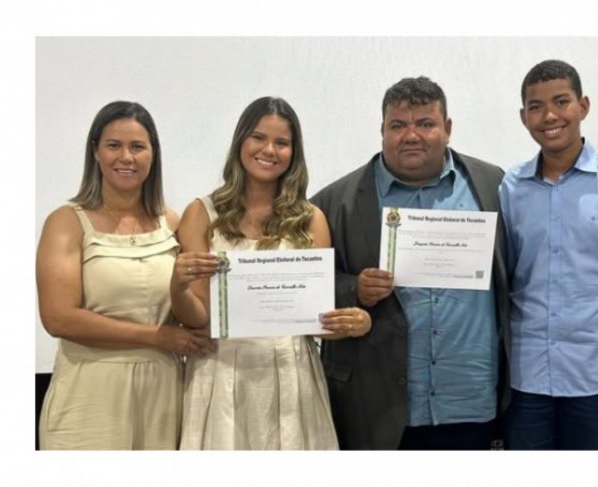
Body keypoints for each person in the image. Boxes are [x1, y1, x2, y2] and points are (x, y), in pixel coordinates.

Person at [311, 76, 511, 450]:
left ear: (447, 129)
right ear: (382, 130)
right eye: (398, 125)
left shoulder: (493, 185)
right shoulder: (332, 202)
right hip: (375, 408)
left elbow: (520, 268)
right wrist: (354, 288)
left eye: (425, 123)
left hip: (469, 399)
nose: (411, 135)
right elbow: (302, 285)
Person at [172, 96, 371, 450]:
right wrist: (179, 287)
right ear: (240, 143)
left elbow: (316, 320)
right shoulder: (200, 213)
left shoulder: (311, 219)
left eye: (282, 142)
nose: (269, 150)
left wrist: (354, 322)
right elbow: (197, 318)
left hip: (292, 371)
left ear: (294, 153)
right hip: (220, 373)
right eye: (258, 138)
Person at [36, 101, 215, 450]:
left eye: (137, 147)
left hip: (163, 393)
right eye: (113, 145)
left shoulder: (172, 222)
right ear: (96, 152)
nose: (126, 157)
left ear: (153, 154)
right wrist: (157, 337)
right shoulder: (67, 222)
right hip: (89, 393)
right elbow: (59, 318)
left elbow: (193, 308)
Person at [499, 59, 598, 450]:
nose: (549, 115)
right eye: (535, 106)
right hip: (526, 374)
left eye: (561, 101)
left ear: (583, 106)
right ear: (523, 116)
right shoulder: (509, 188)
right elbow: (504, 273)